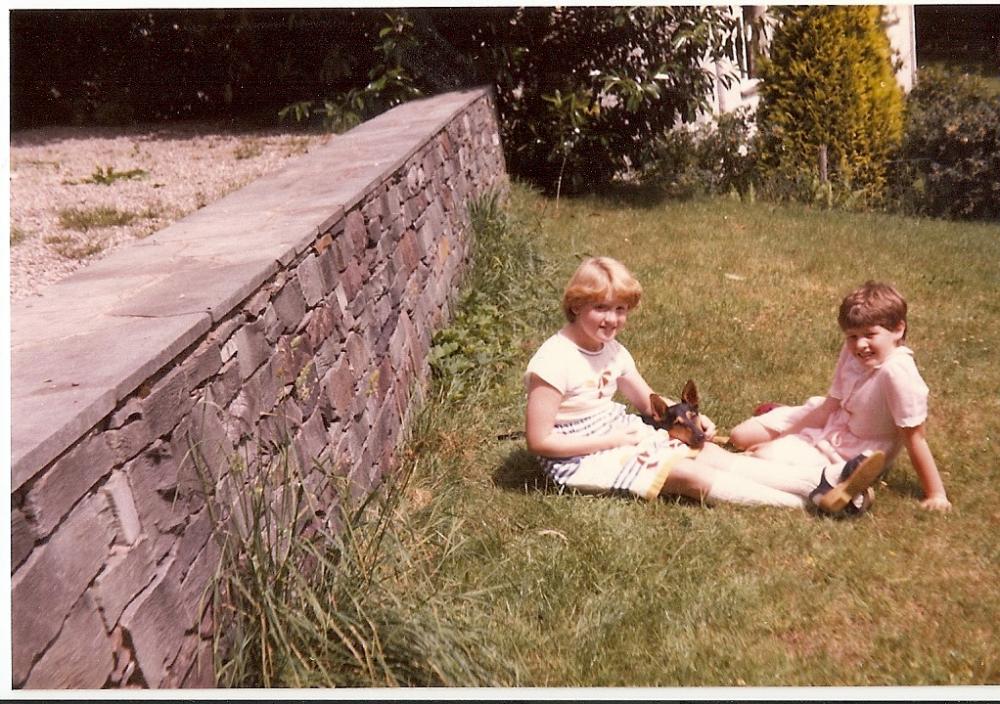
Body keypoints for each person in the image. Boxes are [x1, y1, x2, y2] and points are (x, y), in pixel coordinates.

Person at [523, 257, 885, 515]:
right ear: (576, 304)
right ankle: (811, 502)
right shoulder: (554, 361)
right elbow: (540, 442)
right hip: (577, 455)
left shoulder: (613, 350)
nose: (613, 319)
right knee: (689, 475)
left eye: (621, 309)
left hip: (617, 432)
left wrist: (692, 418)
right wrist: (613, 441)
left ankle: (824, 481)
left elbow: (651, 404)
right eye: (602, 308)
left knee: (710, 453)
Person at [728, 280, 951, 512]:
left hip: (849, 448)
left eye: (870, 334)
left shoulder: (897, 373)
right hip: (833, 417)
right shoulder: (852, 351)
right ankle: (782, 416)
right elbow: (829, 406)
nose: (860, 344)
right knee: (739, 436)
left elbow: (915, 438)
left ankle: (808, 458)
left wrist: (936, 493)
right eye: (852, 336)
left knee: (763, 460)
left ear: (898, 329)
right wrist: (782, 438)